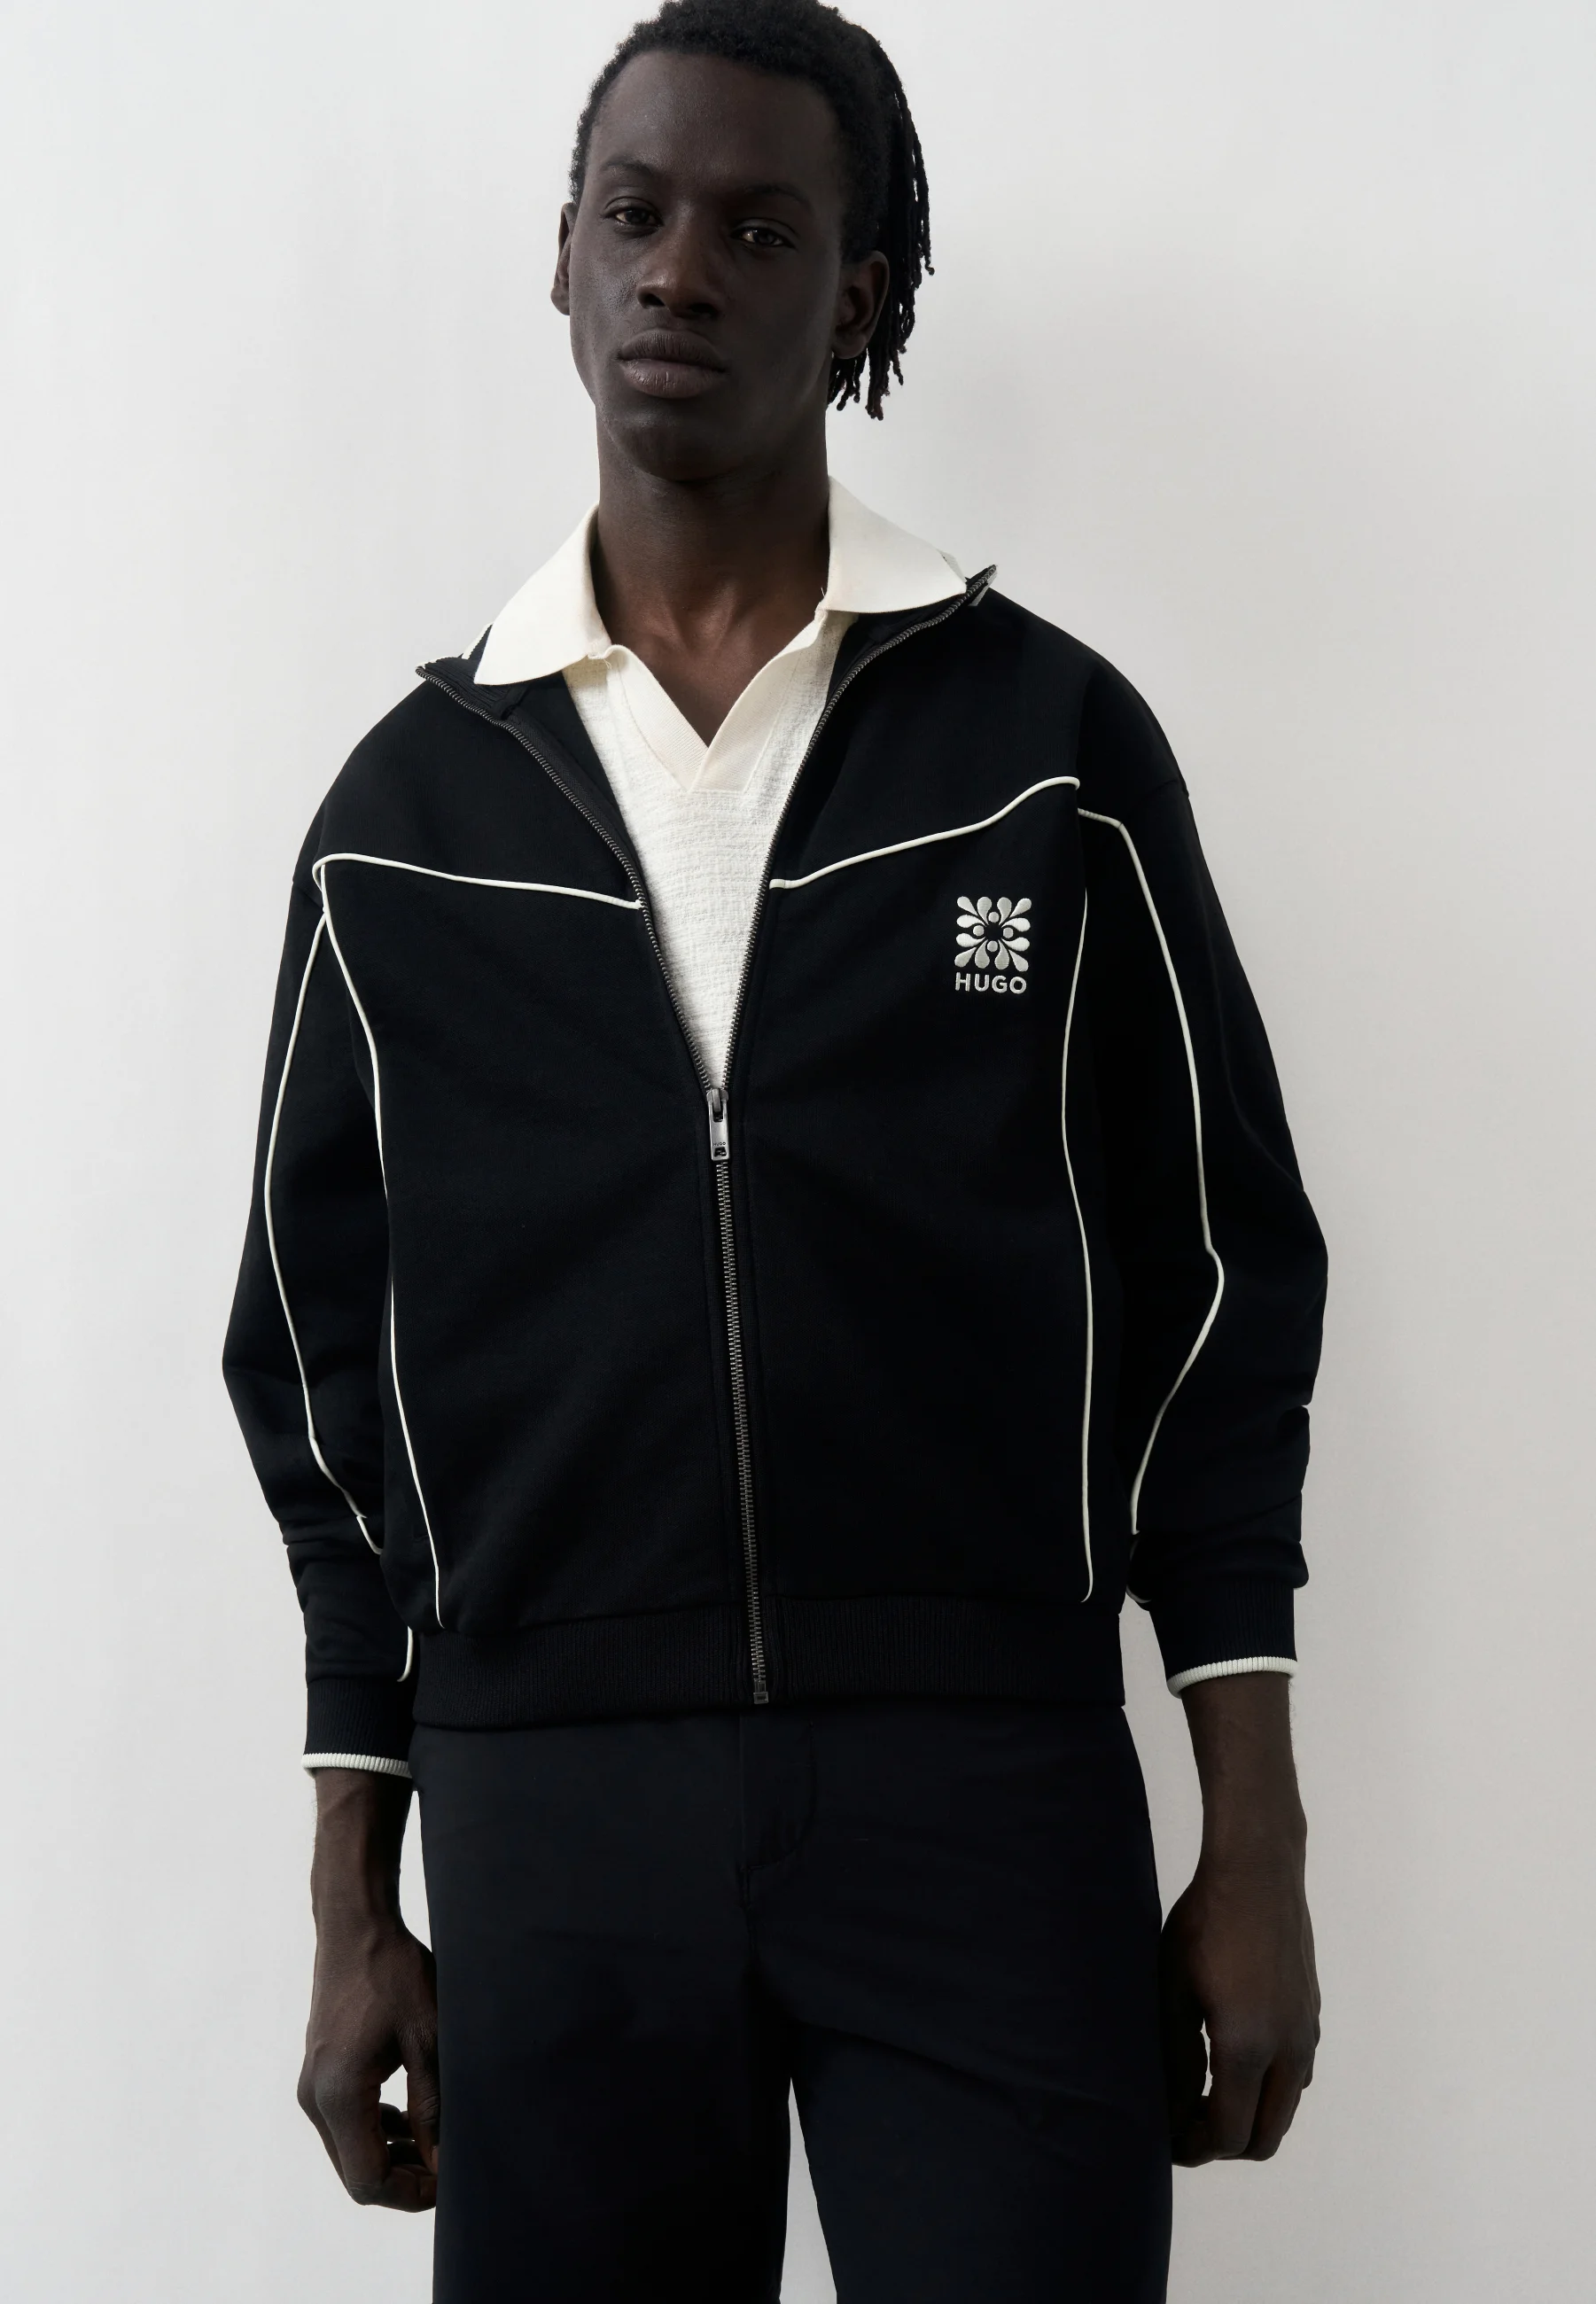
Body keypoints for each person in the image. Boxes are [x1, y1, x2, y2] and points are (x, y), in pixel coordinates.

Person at [223, 3, 1327, 2296]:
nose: (678, 272)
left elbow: (1218, 1280)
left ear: (860, 296)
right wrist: (352, 1887)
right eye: (633, 216)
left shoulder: (1047, 748)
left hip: (986, 1779)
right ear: (560, 260)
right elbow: (321, 1379)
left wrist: (1257, 1835)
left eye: (757, 230)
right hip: (553, 1807)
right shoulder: (406, 818)